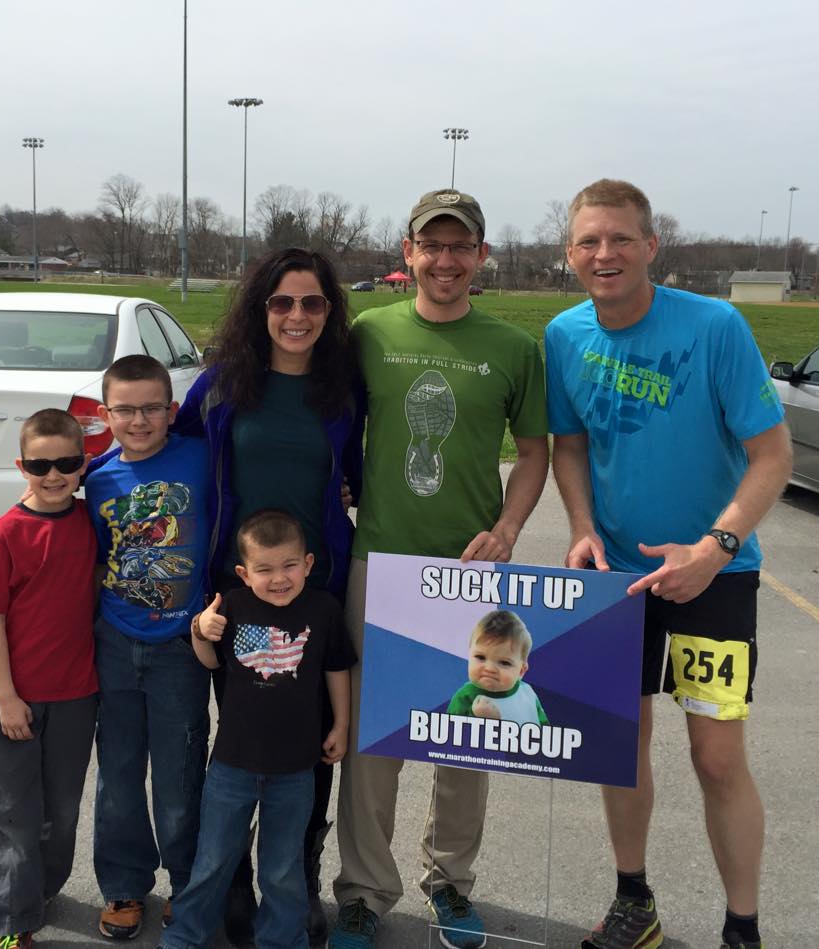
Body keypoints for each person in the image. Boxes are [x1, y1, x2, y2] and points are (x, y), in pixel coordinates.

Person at [543, 179, 792, 949]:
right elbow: (571, 445)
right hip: (616, 579)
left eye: (620, 238)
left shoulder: (715, 326)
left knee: (716, 758)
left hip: (715, 573)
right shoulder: (563, 336)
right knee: (620, 746)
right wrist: (582, 527)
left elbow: (772, 455)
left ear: (652, 246)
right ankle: (633, 900)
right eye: (589, 241)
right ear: (570, 254)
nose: (604, 253)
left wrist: (714, 549)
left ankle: (742, 926)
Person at [329, 189, 549, 949]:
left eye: (462, 247)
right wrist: (342, 479)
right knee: (374, 740)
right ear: (408, 252)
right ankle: (363, 890)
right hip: (380, 561)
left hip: (468, 569)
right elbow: (339, 422)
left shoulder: (516, 348)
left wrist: (509, 526)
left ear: (481, 256)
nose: (447, 260)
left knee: (468, 729)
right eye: (434, 245)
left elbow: (532, 451)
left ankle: (451, 883)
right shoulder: (368, 331)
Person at [172, 247, 363, 945]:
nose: (297, 315)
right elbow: (166, 446)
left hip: (316, 593)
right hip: (239, 592)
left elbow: (360, 473)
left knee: (310, 743)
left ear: (328, 312)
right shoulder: (223, 386)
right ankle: (233, 883)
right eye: (282, 302)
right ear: (261, 309)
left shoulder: (341, 391)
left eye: (312, 303)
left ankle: (298, 878)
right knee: (245, 741)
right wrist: (75, 478)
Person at [157, 509, 356, 949]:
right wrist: (199, 631)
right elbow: (210, 662)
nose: (278, 578)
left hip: (296, 767)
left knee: (282, 868)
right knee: (213, 859)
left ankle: (282, 939)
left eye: (289, 566)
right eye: (264, 569)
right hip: (232, 765)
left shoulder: (323, 609)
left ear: (307, 564)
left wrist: (341, 724)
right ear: (245, 574)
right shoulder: (231, 605)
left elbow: (337, 669)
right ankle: (186, 935)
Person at [86, 355, 213, 941]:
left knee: (180, 772)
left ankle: (186, 883)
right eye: (126, 409)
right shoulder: (97, 478)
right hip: (115, 639)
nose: (139, 420)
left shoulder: (203, 459)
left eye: (151, 408)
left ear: (172, 410)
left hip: (181, 647)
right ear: (105, 413)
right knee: (118, 771)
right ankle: (123, 883)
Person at [0, 408, 98, 949]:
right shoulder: (4, 534)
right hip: (16, 699)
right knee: (14, 813)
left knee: (62, 810)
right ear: (22, 465)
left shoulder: (92, 522)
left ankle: (41, 888)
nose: (53, 475)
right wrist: (7, 697)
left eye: (66, 463)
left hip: (76, 695)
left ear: (83, 463)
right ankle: (11, 919)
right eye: (40, 464)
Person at [447, 610, 549, 725]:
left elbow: (545, 729)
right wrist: (478, 717)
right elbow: (451, 736)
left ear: (521, 671)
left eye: (504, 663)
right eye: (480, 657)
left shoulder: (527, 693)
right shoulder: (465, 698)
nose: (490, 669)